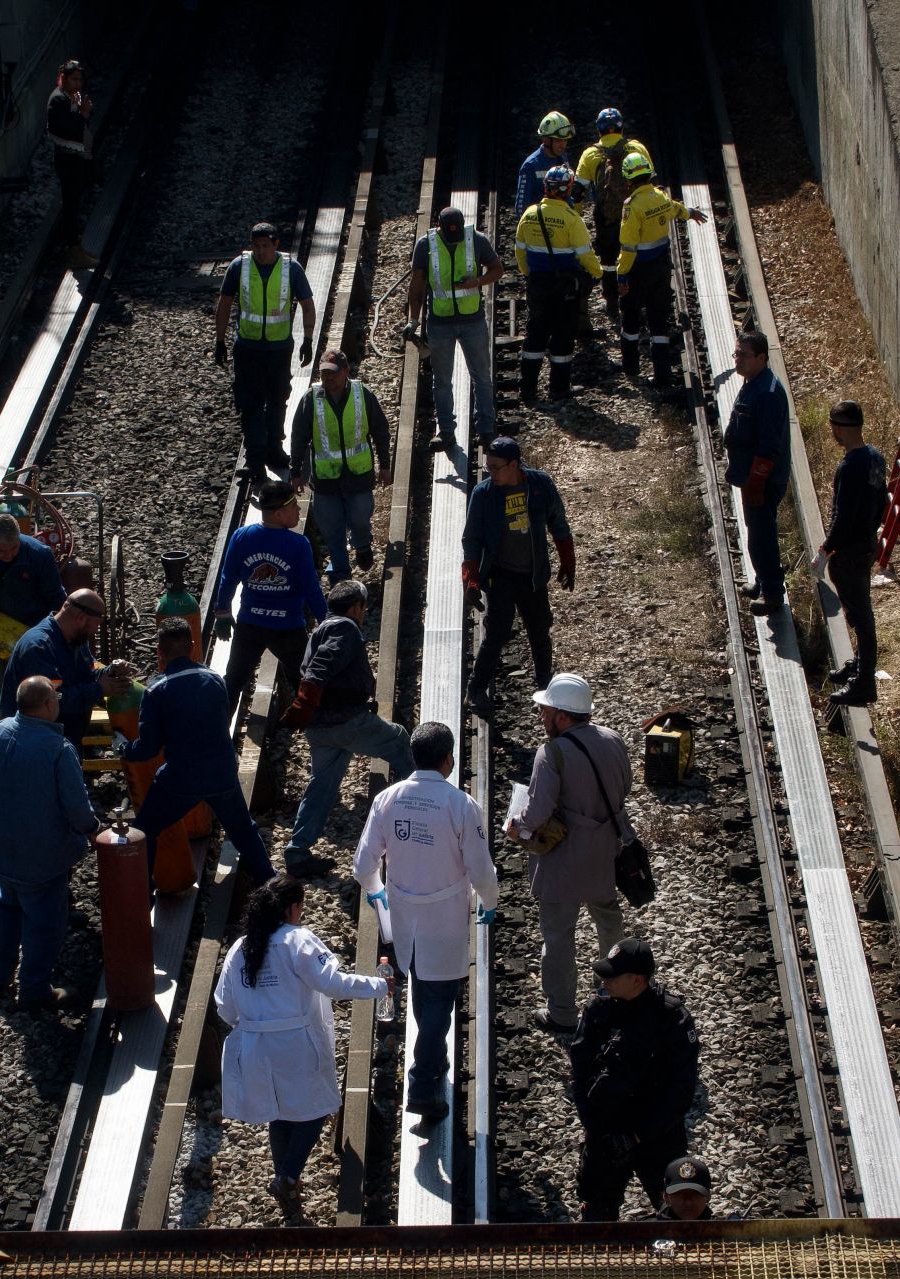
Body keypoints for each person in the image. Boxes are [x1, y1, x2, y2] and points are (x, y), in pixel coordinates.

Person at [214, 875, 387, 1219]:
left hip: (254, 1045)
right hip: (295, 1043)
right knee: (315, 1109)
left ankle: (285, 1178)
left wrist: (251, 1022)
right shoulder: (298, 940)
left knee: (279, 1111)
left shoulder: (240, 947)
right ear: (293, 908)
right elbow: (333, 983)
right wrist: (378, 986)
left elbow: (225, 1006)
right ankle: (289, 1175)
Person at [354, 721, 497, 1120]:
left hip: (403, 913)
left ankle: (435, 1063)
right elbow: (481, 869)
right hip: (444, 918)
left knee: (421, 985)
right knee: (439, 1000)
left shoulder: (388, 799)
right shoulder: (461, 806)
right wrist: (490, 899)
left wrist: (376, 887)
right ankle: (422, 1081)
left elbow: (363, 864)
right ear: (448, 759)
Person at [506, 674, 631, 1034]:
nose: (541, 717)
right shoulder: (613, 739)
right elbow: (625, 786)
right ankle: (616, 989)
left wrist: (517, 824)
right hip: (605, 853)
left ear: (562, 716)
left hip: (563, 861)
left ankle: (562, 1012)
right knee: (608, 921)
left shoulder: (552, 753)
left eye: (545, 711)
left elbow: (537, 812)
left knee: (559, 937)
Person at [119, 618, 276, 886]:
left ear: (159, 651)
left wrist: (124, 748)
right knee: (243, 831)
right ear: (193, 647)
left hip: (181, 780)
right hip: (222, 773)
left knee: (145, 831)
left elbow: (148, 748)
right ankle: (271, 884)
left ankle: (143, 893)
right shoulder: (215, 680)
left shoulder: (156, 691)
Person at [278, 580, 413, 874]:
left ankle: (298, 851)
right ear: (355, 607)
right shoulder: (346, 628)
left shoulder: (320, 629)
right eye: (364, 608)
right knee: (399, 740)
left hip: (321, 728)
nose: (364, 614)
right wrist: (306, 697)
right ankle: (427, 801)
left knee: (322, 787)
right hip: (346, 721)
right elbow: (322, 665)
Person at [0, 676, 98, 1009]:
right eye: (56, 696)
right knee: (43, 924)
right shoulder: (58, 749)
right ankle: (34, 989)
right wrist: (92, 829)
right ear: (48, 704)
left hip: (5, 850)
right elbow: (77, 808)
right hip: (43, 857)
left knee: (5, 910)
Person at [568, 938, 699, 1221]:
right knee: (596, 1211)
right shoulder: (598, 1010)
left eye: (612, 976)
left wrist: (639, 1135)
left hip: (657, 1133)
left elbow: (681, 1091)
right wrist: (595, 1126)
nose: (604, 981)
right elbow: (579, 1074)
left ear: (637, 979)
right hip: (607, 1128)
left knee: (678, 1212)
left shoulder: (672, 1020)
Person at [462, 437, 575, 719]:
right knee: (496, 634)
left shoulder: (540, 485)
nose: (492, 473)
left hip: (533, 577)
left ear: (514, 464)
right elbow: (472, 540)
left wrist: (567, 561)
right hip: (501, 577)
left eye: (497, 468)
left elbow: (558, 524)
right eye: (488, 468)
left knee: (539, 632)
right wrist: (471, 579)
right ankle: (475, 690)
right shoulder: (483, 494)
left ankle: (545, 689)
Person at [213, 222, 317, 478]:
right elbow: (224, 303)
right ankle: (255, 459)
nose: (260, 251)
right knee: (250, 403)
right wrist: (219, 340)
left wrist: (308, 338)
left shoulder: (291, 268)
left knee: (277, 399)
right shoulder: (240, 267)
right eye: (256, 246)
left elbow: (307, 304)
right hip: (248, 348)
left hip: (279, 349)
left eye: (265, 246)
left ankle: (274, 448)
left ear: (276, 244)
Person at [213, 481, 326, 708]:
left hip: (250, 625)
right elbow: (311, 589)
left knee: (234, 680)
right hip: (287, 628)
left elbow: (228, 579)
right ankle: (316, 726)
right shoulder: (298, 544)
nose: (299, 509)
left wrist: (222, 612)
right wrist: (328, 620)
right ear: (279, 513)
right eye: (294, 505)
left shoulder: (241, 537)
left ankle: (216, 731)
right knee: (304, 680)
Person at [287, 348, 393, 582]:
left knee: (359, 517)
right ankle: (342, 573)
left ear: (346, 372)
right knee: (331, 528)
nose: (329, 379)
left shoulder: (362, 395)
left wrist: (385, 465)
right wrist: (295, 472)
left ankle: (362, 544)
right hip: (326, 480)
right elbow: (299, 437)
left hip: (358, 475)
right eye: (324, 374)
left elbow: (380, 430)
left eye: (333, 373)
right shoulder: (311, 399)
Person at [404, 206, 504, 451]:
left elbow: (498, 269)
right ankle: (446, 432)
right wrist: (413, 321)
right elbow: (416, 287)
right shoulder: (426, 245)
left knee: (481, 377)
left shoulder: (476, 241)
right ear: (439, 226)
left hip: (472, 319)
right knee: (442, 380)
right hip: (440, 322)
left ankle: (486, 429)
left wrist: (477, 282)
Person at [812, 401, 889, 706]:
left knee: (860, 617)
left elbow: (842, 515)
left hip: (849, 552)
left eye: (833, 427)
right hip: (866, 544)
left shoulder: (849, 466)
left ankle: (864, 684)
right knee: (862, 612)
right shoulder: (875, 458)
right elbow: (881, 502)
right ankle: (860, 665)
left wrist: (826, 549)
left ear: (839, 428)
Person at [614, 152, 708, 388]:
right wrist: (690, 213)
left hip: (637, 271)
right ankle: (663, 374)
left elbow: (628, 247)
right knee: (658, 320)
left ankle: (631, 367)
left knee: (631, 318)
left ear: (628, 180)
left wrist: (621, 274)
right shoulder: (659, 196)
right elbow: (675, 209)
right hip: (661, 267)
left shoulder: (631, 207)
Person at [0, 589, 133, 747]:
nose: (95, 631)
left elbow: (88, 674)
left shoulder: (76, 640)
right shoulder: (38, 647)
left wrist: (110, 671)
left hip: (62, 743)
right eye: (96, 625)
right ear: (81, 618)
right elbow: (52, 701)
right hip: (31, 747)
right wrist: (98, 689)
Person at [514, 165, 602, 401]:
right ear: (569, 188)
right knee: (563, 334)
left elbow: (520, 251)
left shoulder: (530, 214)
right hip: (565, 286)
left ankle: (528, 389)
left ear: (546, 188)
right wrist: (597, 273)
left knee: (535, 332)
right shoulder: (571, 219)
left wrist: (529, 274)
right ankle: (559, 388)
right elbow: (585, 253)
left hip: (538, 283)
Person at [724, 332, 791, 615]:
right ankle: (762, 580)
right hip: (751, 477)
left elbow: (769, 446)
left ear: (761, 358)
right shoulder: (754, 382)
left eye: (743, 355)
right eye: (736, 354)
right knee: (756, 531)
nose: (737, 359)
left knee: (762, 535)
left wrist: (756, 481)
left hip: (762, 480)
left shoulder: (767, 393)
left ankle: (773, 593)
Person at [574, 110, 652, 323]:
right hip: (635, 212)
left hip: (606, 216)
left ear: (599, 129)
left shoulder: (590, 154)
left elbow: (578, 191)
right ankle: (636, 297)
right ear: (621, 127)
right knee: (635, 253)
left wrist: (577, 214)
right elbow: (651, 183)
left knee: (608, 259)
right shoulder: (637, 148)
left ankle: (611, 300)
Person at [48, 60, 100, 270]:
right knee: (70, 204)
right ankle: (72, 249)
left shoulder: (72, 96)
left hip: (76, 156)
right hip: (67, 158)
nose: (78, 83)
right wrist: (84, 114)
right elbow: (65, 128)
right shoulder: (58, 100)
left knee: (75, 202)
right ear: (64, 77)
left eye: (80, 79)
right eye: (74, 79)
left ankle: (75, 247)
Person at [516, 111, 576, 223]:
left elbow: (567, 194)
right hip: (540, 226)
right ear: (546, 139)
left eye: (565, 140)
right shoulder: (530, 166)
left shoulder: (563, 159)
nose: (563, 145)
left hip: (560, 224)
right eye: (558, 140)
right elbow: (521, 207)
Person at [655, 1156, 718, 1221]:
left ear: (708, 1196)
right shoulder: (646, 1229)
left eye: (695, 1194)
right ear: (666, 1196)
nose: (688, 1203)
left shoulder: (726, 1228)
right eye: (679, 1194)